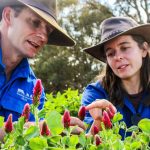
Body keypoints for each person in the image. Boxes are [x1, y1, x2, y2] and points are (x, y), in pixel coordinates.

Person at [0, 0, 85, 139]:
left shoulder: (33, 87)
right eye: (35, 22)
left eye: (48, 31)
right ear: (8, 15)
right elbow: (32, 129)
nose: (43, 37)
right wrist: (28, 128)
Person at [81, 16, 150, 137]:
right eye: (110, 53)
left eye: (124, 48)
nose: (118, 57)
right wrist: (98, 122)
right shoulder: (95, 93)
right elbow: (87, 141)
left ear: (144, 49)